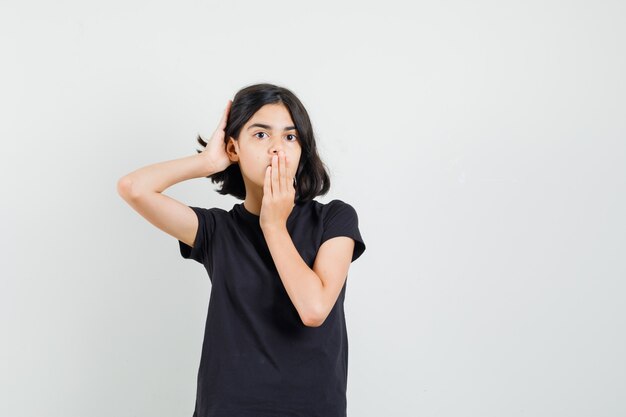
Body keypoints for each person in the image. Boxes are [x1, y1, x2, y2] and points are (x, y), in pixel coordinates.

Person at [117, 83, 366, 417]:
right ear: (233, 149)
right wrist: (207, 162)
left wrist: (274, 226)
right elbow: (133, 188)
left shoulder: (334, 219)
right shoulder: (217, 230)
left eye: (290, 137)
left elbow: (314, 309)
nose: (278, 149)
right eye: (261, 135)